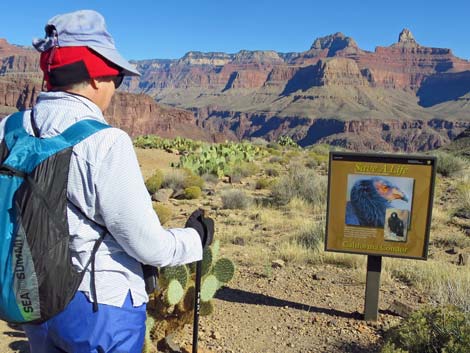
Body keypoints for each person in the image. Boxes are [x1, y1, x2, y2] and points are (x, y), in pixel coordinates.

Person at [0, 9, 213, 353]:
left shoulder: (10, 128)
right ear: (97, 77)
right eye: (117, 77)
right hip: (100, 309)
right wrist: (195, 239)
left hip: (33, 297)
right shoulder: (105, 142)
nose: (115, 87)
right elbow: (149, 246)